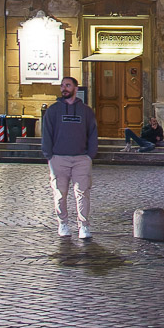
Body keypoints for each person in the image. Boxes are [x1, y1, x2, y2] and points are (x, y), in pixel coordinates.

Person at [41, 76, 98, 238]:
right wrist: (49, 156)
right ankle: (63, 223)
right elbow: (47, 134)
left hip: (81, 159)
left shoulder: (86, 111)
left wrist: (90, 155)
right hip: (59, 158)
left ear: (75, 88)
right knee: (60, 193)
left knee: (82, 193)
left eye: (67, 85)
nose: (63, 88)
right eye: (62, 86)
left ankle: (84, 226)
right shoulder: (53, 111)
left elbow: (93, 132)